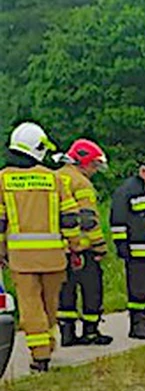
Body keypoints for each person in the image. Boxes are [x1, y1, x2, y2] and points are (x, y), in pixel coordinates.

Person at [0, 122, 82, 372]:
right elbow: (70, 218)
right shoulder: (54, 178)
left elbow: (0, 222)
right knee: (49, 305)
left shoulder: (3, 179)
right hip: (54, 257)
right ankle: (47, 345)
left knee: (30, 307)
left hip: (21, 259)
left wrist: (1, 251)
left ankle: (40, 356)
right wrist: (75, 247)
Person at [55, 139, 113, 346]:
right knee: (92, 288)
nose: (95, 170)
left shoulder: (55, 177)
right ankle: (91, 331)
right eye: (94, 165)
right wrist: (99, 246)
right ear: (84, 162)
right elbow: (88, 219)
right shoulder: (81, 183)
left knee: (65, 290)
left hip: (59, 248)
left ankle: (67, 334)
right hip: (82, 247)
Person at [110, 159, 145, 340]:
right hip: (136, 250)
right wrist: (121, 245)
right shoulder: (128, 190)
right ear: (143, 171)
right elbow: (118, 218)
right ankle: (137, 324)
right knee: (138, 289)